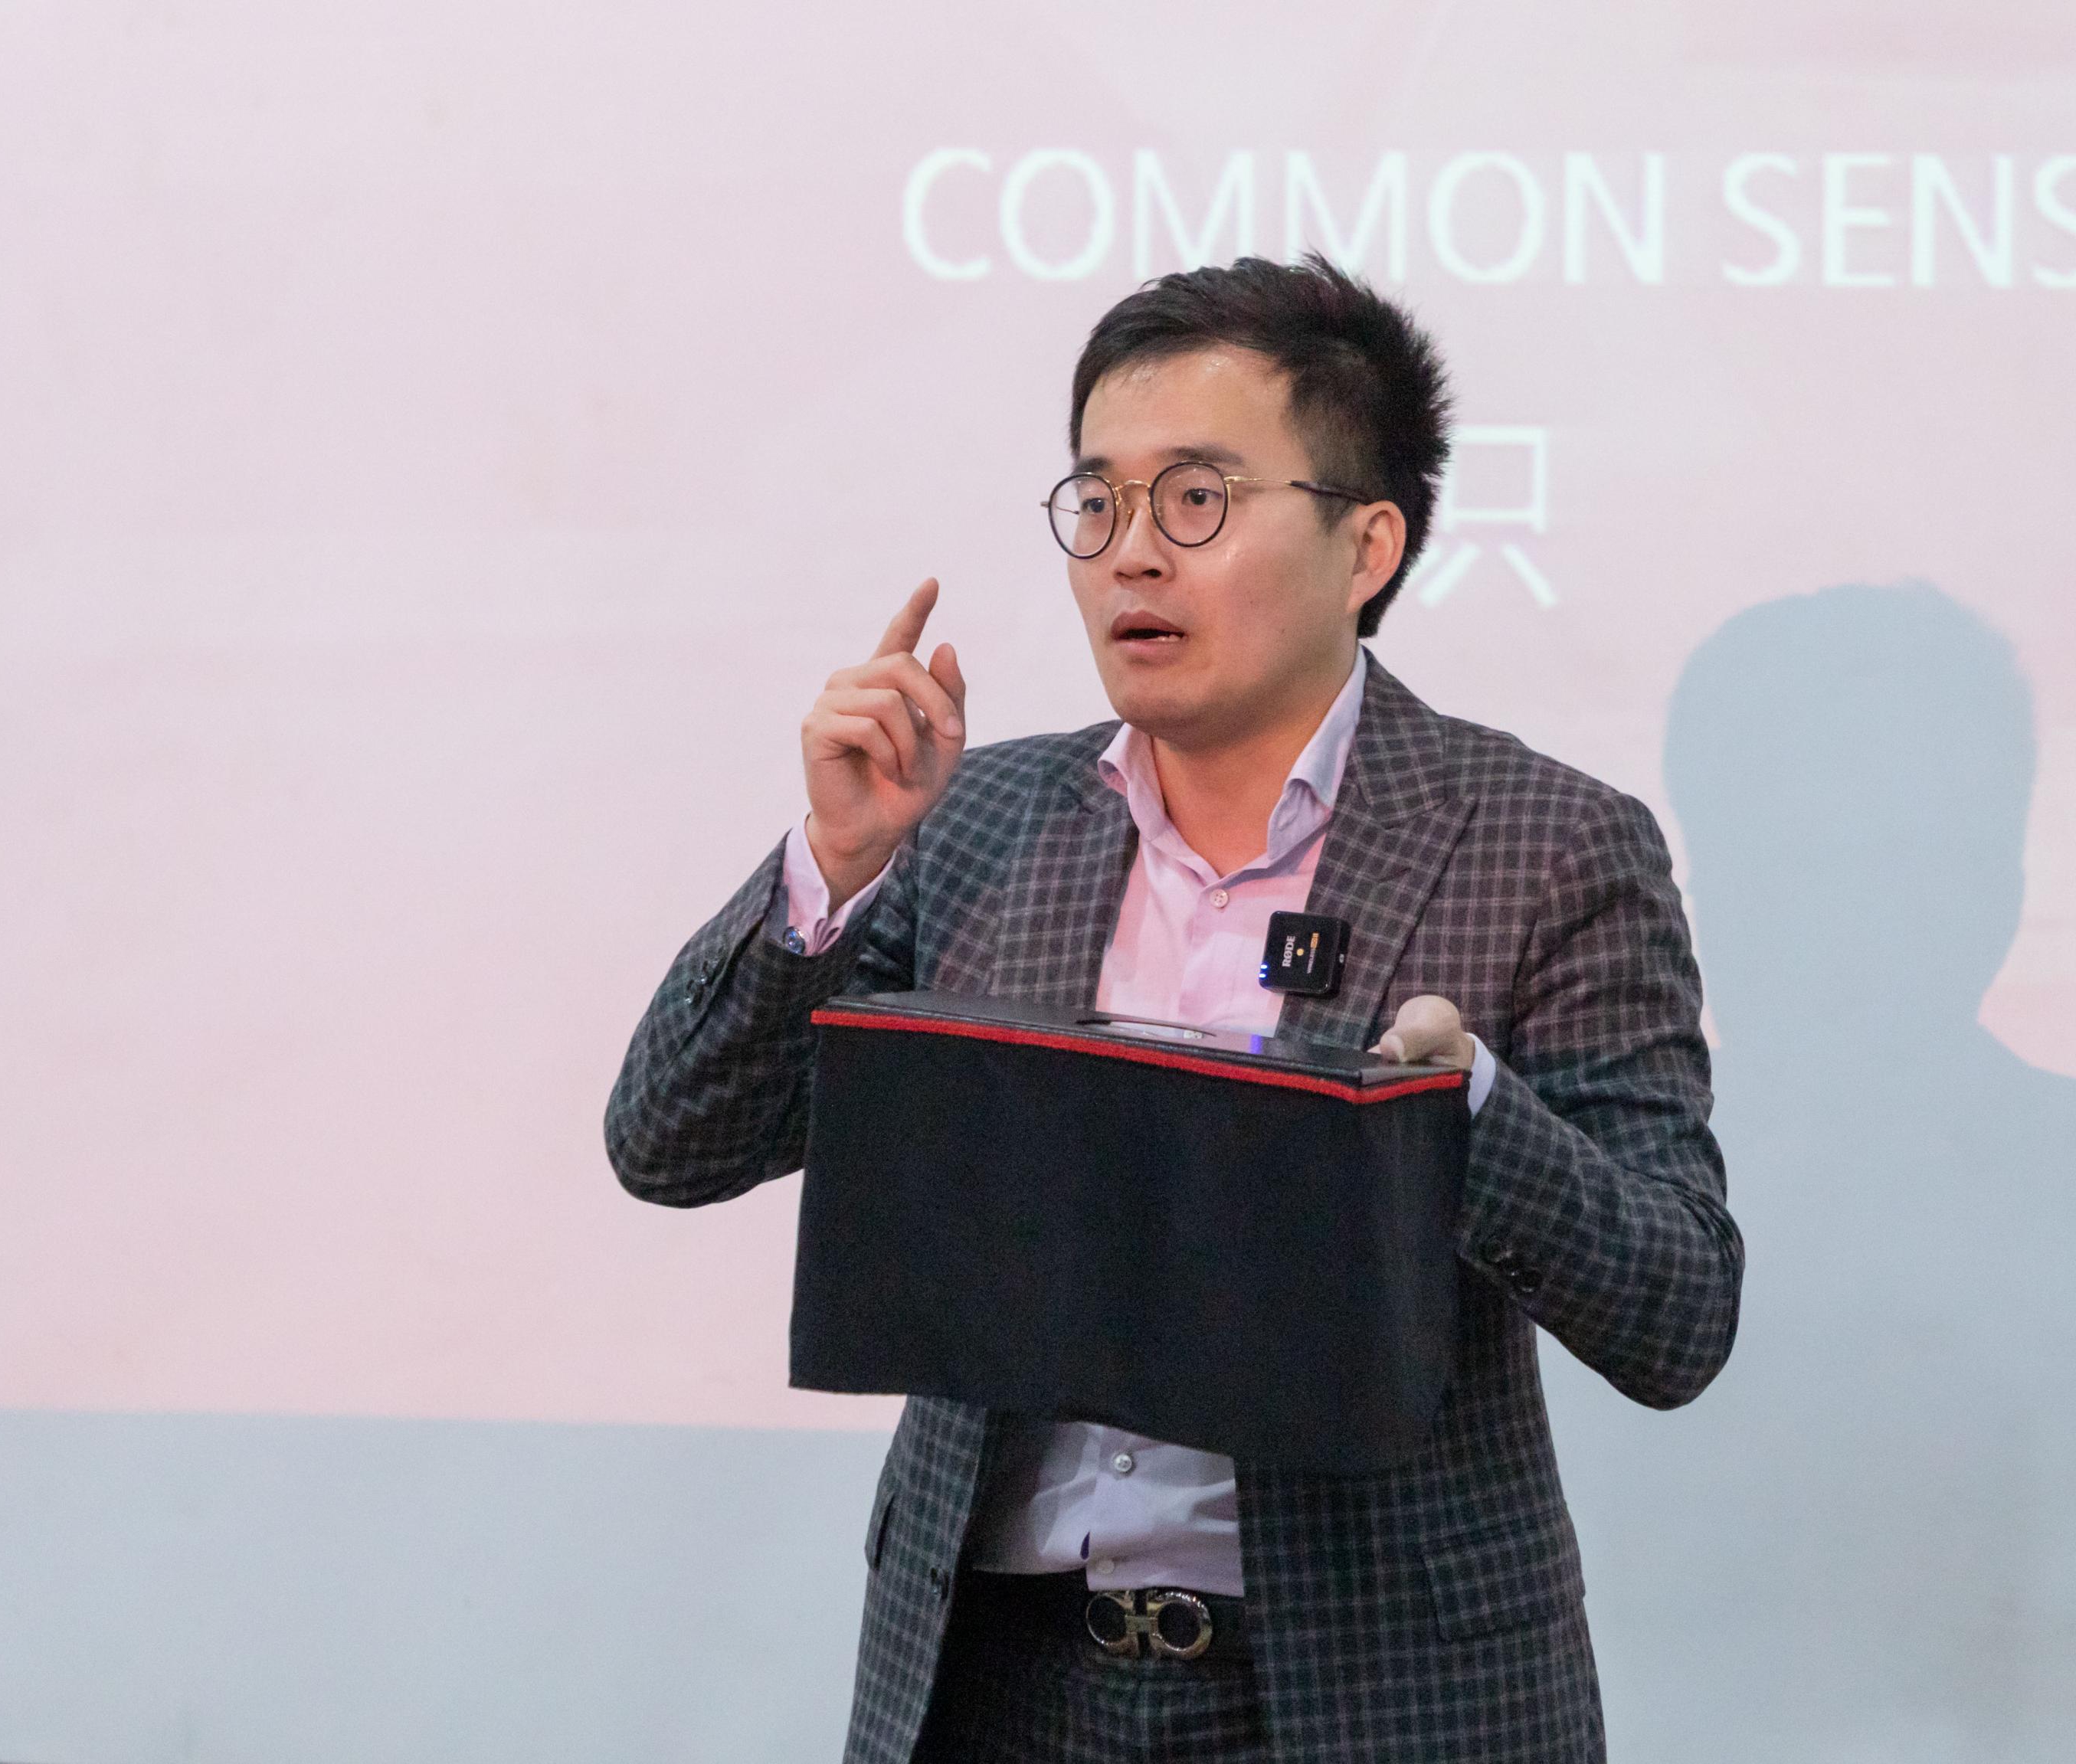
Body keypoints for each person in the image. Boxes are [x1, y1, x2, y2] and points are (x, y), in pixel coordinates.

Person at [604, 255, 1740, 1764]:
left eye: (1195, 499)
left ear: (1367, 544)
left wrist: (1460, 1107)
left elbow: (1678, 1313)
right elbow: (669, 1142)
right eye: (1099, 502)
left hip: (1370, 1696)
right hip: (1002, 1685)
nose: (1132, 553)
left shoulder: (1545, 845)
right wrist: (838, 862)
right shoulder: (979, 822)